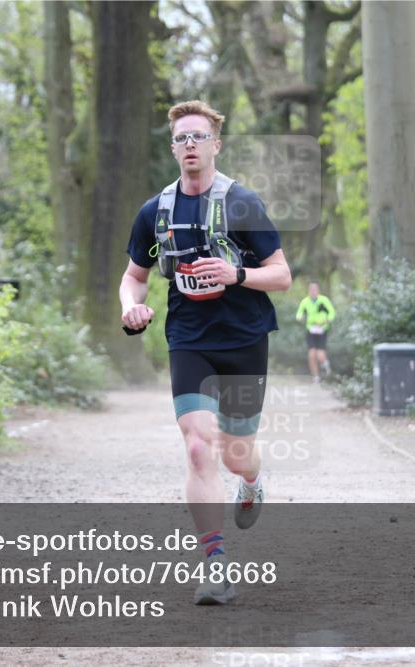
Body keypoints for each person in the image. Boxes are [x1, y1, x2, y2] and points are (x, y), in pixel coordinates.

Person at [119, 100, 292, 605]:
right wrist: (132, 308)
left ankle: (253, 480)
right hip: (189, 340)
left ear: (216, 144)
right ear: (172, 148)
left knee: (236, 453)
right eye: (181, 138)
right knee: (198, 445)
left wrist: (236, 274)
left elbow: (281, 275)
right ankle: (214, 565)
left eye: (198, 137)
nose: (189, 145)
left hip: (244, 338)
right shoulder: (156, 213)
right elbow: (134, 278)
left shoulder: (242, 204)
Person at [295, 281, 335, 383]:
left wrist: (326, 320)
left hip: (322, 330)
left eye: (315, 289)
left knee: (320, 354)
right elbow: (299, 314)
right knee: (311, 354)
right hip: (311, 330)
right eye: (311, 289)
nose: (313, 291)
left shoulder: (323, 300)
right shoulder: (305, 302)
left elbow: (332, 313)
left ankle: (325, 366)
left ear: (318, 290)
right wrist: (301, 318)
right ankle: (316, 377)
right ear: (308, 291)